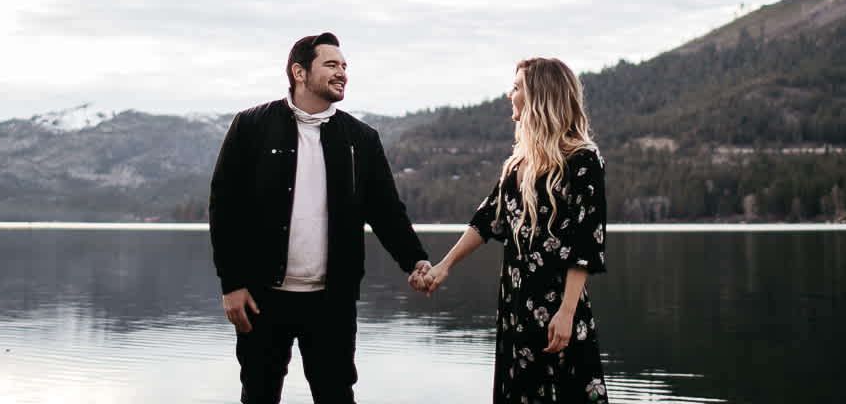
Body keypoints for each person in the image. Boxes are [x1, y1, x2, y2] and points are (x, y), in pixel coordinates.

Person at [209, 31, 432, 404]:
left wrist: (415, 260)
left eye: (344, 66)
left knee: (336, 396)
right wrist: (231, 284)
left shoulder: (361, 138)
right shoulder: (251, 126)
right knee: (258, 395)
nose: (342, 72)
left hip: (332, 301)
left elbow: (386, 211)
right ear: (299, 72)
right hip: (262, 299)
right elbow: (224, 207)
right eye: (331, 64)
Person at [415, 57, 609, 403]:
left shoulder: (583, 159)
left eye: (517, 87)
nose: (510, 94)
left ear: (539, 96)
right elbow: (486, 220)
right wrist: (444, 266)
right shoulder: (518, 164)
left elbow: (586, 244)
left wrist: (567, 312)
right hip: (515, 307)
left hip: (559, 306)